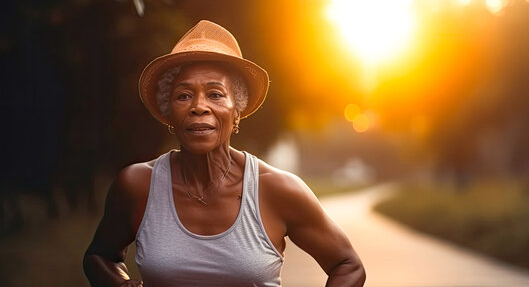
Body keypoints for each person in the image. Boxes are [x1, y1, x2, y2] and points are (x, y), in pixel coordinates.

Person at [83, 20, 366, 287]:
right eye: (183, 96)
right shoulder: (137, 185)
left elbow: (347, 265)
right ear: (169, 114)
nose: (199, 106)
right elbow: (100, 256)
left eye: (215, 94)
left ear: (237, 112)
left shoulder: (276, 189)